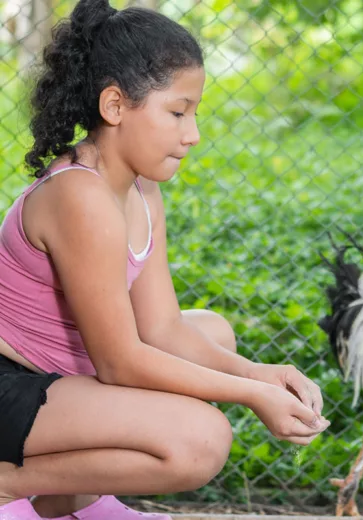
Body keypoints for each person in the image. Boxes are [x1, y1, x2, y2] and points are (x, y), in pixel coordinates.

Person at [0, 0, 330, 518]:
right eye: (177, 112)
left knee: (213, 332)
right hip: (12, 385)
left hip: (64, 371)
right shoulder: (79, 198)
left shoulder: (141, 190)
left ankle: (75, 502)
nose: (192, 133)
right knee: (200, 440)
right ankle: (12, 485)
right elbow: (120, 361)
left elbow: (165, 329)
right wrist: (250, 395)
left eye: (194, 113)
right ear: (114, 106)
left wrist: (262, 374)